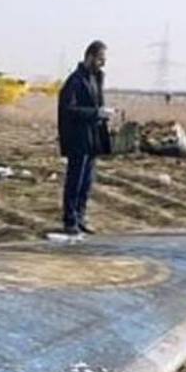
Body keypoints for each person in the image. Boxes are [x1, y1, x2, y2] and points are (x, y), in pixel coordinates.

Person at [58, 40, 113, 235]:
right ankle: (70, 220)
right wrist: (96, 113)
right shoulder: (75, 81)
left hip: (92, 138)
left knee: (87, 182)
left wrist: (103, 115)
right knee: (75, 181)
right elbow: (69, 110)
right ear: (90, 57)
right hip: (78, 139)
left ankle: (81, 217)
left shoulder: (96, 78)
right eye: (100, 59)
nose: (103, 63)